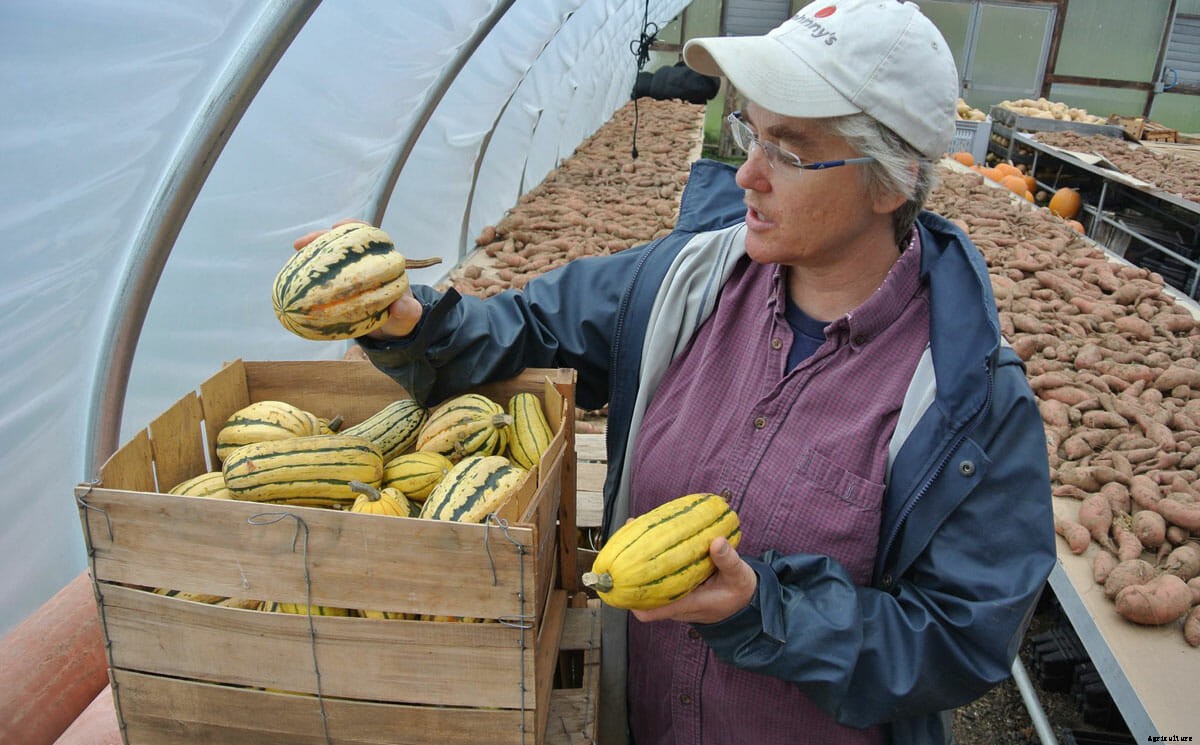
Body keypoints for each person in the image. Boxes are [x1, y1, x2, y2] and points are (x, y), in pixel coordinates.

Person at [296, 2, 1056, 743]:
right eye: (748, 133)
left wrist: (766, 610)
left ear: (891, 181)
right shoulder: (680, 283)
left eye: (788, 150)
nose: (745, 176)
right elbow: (524, 328)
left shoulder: (967, 400)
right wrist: (413, 320)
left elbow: (960, 639)